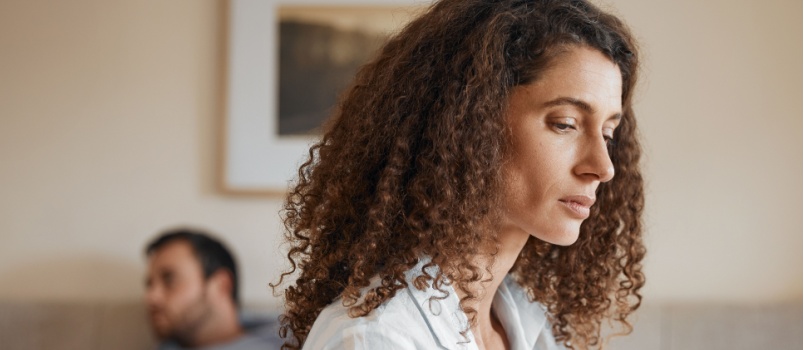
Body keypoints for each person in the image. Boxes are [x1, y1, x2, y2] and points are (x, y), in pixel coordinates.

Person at [274, 0, 646, 349]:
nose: (604, 167)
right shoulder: (376, 338)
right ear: (471, 123)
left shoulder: (531, 326)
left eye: (608, 134)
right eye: (565, 124)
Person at [144, 228, 281, 349]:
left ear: (221, 285)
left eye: (169, 280)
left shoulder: (286, 341)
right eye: (149, 285)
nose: (152, 297)